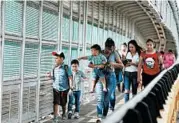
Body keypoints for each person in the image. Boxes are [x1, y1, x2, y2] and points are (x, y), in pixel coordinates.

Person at [88, 38, 123, 122]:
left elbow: (121, 65)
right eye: (108, 49)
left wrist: (113, 64)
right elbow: (91, 64)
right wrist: (97, 66)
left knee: (106, 99)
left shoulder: (114, 54)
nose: (109, 51)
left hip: (111, 77)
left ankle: (104, 116)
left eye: (111, 49)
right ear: (105, 47)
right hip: (101, 77)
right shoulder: (99, 53)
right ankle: (99, 117)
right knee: (100, 98)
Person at [47, 51, 73, 122]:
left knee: (63, 103)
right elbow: (54, 78)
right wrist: (50, 76)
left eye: (57, 58)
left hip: (64, 88)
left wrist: (71, 88)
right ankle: (55, 117)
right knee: (55, 102)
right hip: (56, 88)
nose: (55, 59)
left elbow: (70, 77)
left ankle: (64, 113)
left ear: (61, 58)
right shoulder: (54, 68)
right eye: (55, 58)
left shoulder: (66, 67)